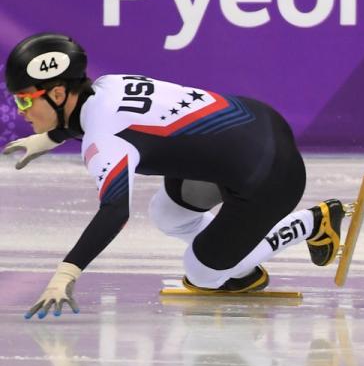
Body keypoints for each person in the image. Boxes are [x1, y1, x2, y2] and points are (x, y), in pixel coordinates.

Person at [3, 33, 345, 318]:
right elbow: (97, 118)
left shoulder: (103, 140)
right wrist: (49, 137)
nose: (24, 112)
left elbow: (114, 212)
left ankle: (313, 222)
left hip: (271, 174)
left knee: (201, 274)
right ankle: (240, 267)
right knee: (166, 213)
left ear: (58, 93)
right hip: (257, 124)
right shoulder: (107, 85)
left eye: (24, 102)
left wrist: (67, 272)